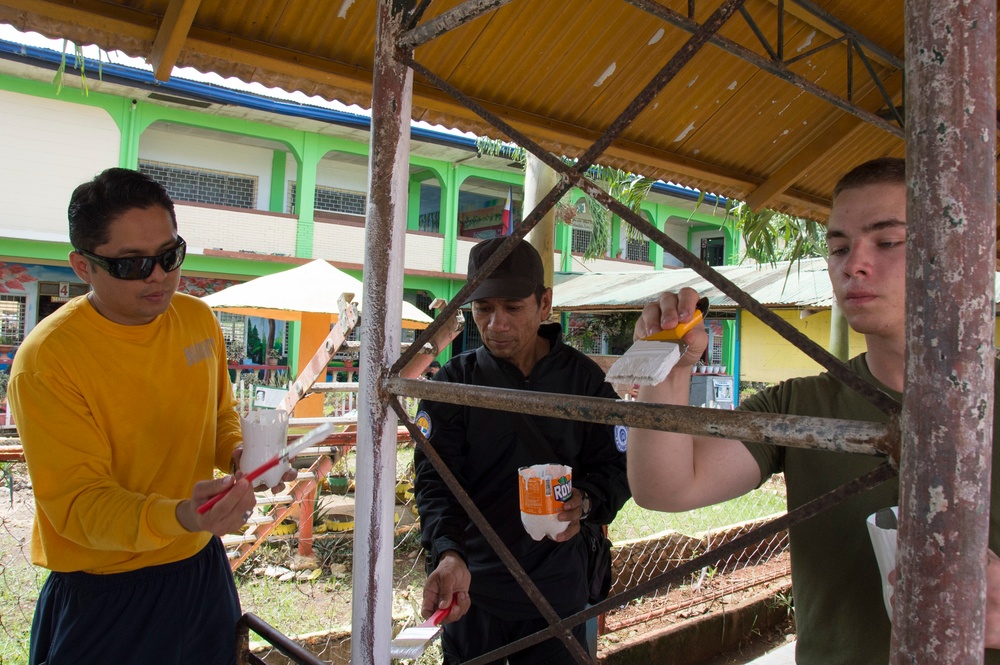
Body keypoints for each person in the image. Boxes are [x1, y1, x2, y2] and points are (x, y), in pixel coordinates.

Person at [627, 157, 1000, 664]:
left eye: (888, 242)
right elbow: (667, 488)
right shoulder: (800, 404)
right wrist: (668, 377)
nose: (854, 264)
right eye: (839, 247)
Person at [9, 167, 262, 665]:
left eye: (170, 256)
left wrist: (242, 453)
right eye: (132, 264)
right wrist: (180, 515)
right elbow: (80, 506)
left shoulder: (196, 319)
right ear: (83, 267)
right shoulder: (49, 359)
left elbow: (219, 417)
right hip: (107, 590)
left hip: (200, 568)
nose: (158, 276)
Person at [413, 237, 631, 664]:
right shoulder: (453, 384)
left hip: (558, 588)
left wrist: (585, 501)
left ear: (544, 303)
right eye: (483, 309)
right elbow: (435, 483)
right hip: (474, 588)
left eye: (512, 308)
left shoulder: (585, 382)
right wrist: (448, 553)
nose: (496, 323)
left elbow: (617, 465)